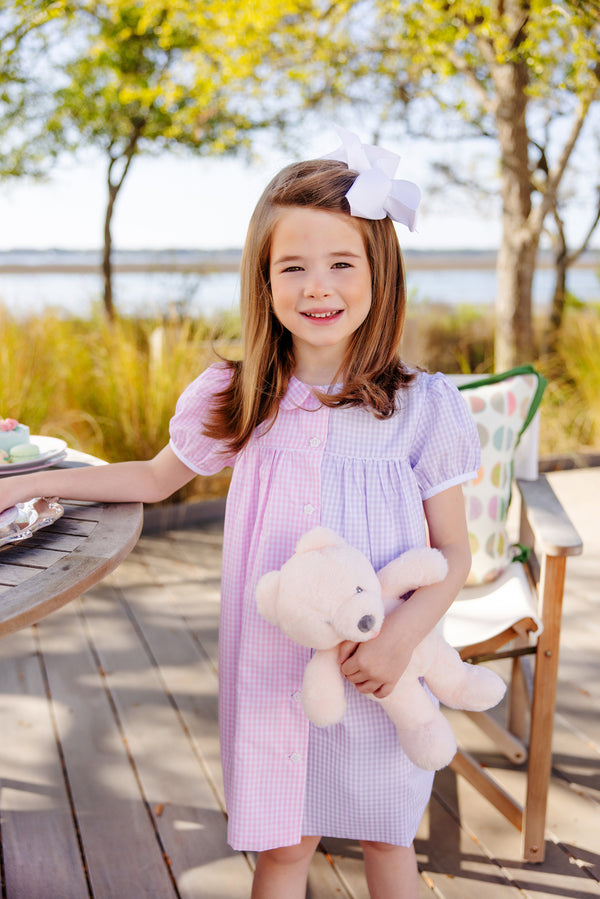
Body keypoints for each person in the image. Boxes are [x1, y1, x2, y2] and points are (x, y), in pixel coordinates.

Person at [0, 128, 479, 899]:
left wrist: (401, 639)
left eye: (341, 263)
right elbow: (154, 479)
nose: (317, 286)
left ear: (379, 273)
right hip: (272, 664)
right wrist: (23, 483)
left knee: (389, 840)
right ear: (263, 279)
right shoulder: (238, 395)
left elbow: (454, 553)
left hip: (384, 655)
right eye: (293, 266)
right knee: (283, 849)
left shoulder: (423, 406)